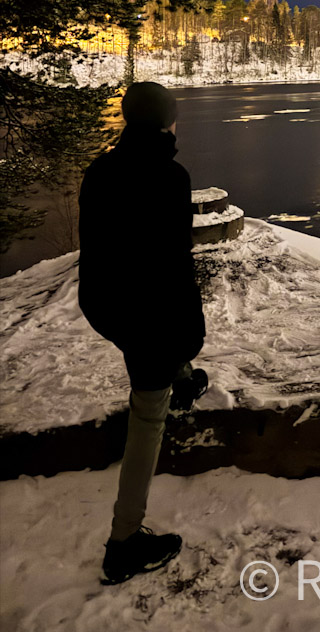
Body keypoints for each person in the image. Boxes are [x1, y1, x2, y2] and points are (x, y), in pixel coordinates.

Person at [78, 80, 207, 586]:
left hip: (107, 304)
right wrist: (189, 332)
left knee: (159, 345)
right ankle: (123, 542)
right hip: (143, 310)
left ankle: (180, 377)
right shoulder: (168, 176)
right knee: (147, 414)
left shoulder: (100, 170)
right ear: (165, 122)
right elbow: (172, 264)